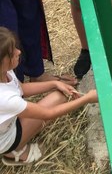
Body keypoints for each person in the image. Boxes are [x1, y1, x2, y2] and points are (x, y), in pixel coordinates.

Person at [0, 27, 97, 166]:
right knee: (58, 100)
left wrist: (54, 84)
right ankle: (14, 152)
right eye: (12, 52)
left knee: (59, 95)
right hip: (5, 138)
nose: (19, 51)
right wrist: (86, 99)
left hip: (7, 122)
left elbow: (21, 88)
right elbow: (48, 114)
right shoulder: (4, 98)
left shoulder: (5, 72)